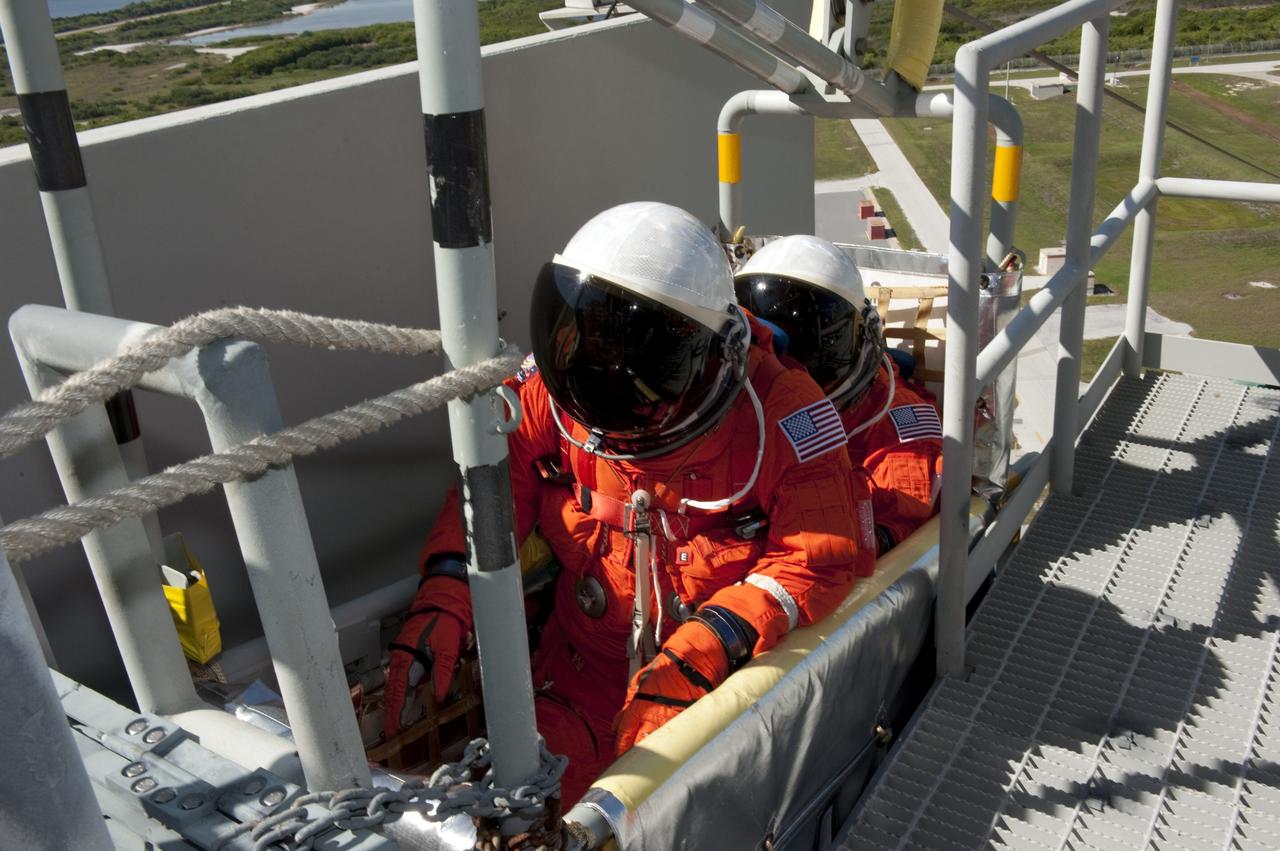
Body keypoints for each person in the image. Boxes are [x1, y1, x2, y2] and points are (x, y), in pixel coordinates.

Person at [384, 203, 874, 804]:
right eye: (592, 335)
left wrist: (702, 652)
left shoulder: (786, 413)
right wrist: (449, 583)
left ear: (704, 351)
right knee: (509, 815)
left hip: (711, 699)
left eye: (634, 351)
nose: (606, 371)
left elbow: (815, 559)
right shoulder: (557, 390)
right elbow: (495, 480)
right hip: (574, 685)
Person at [734, 234, 943, 556]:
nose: (781, 370)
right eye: (764, 346)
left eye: (801, 349)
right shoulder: (735, 410)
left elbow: (897, 518)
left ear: (863, 335)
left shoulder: (899, 420)